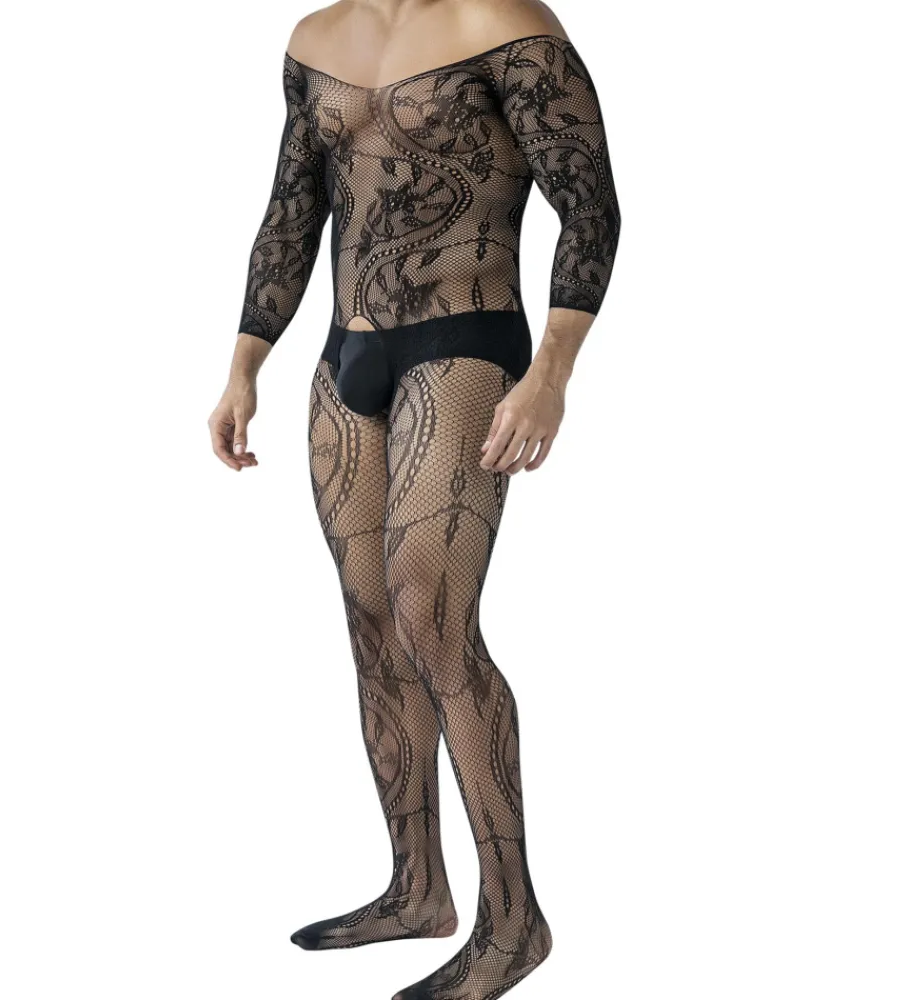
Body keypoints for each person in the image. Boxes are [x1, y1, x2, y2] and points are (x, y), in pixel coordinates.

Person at [208, 1, 620, 996]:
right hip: (345, 355)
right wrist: (243, 365)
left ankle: (513, 921)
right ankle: (415, 888)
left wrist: (552, 372)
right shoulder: (314, 39)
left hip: (465, 340)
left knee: (431, 620)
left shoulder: (502, 20)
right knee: (371, 624)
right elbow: (291, 210)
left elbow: (589, 203)